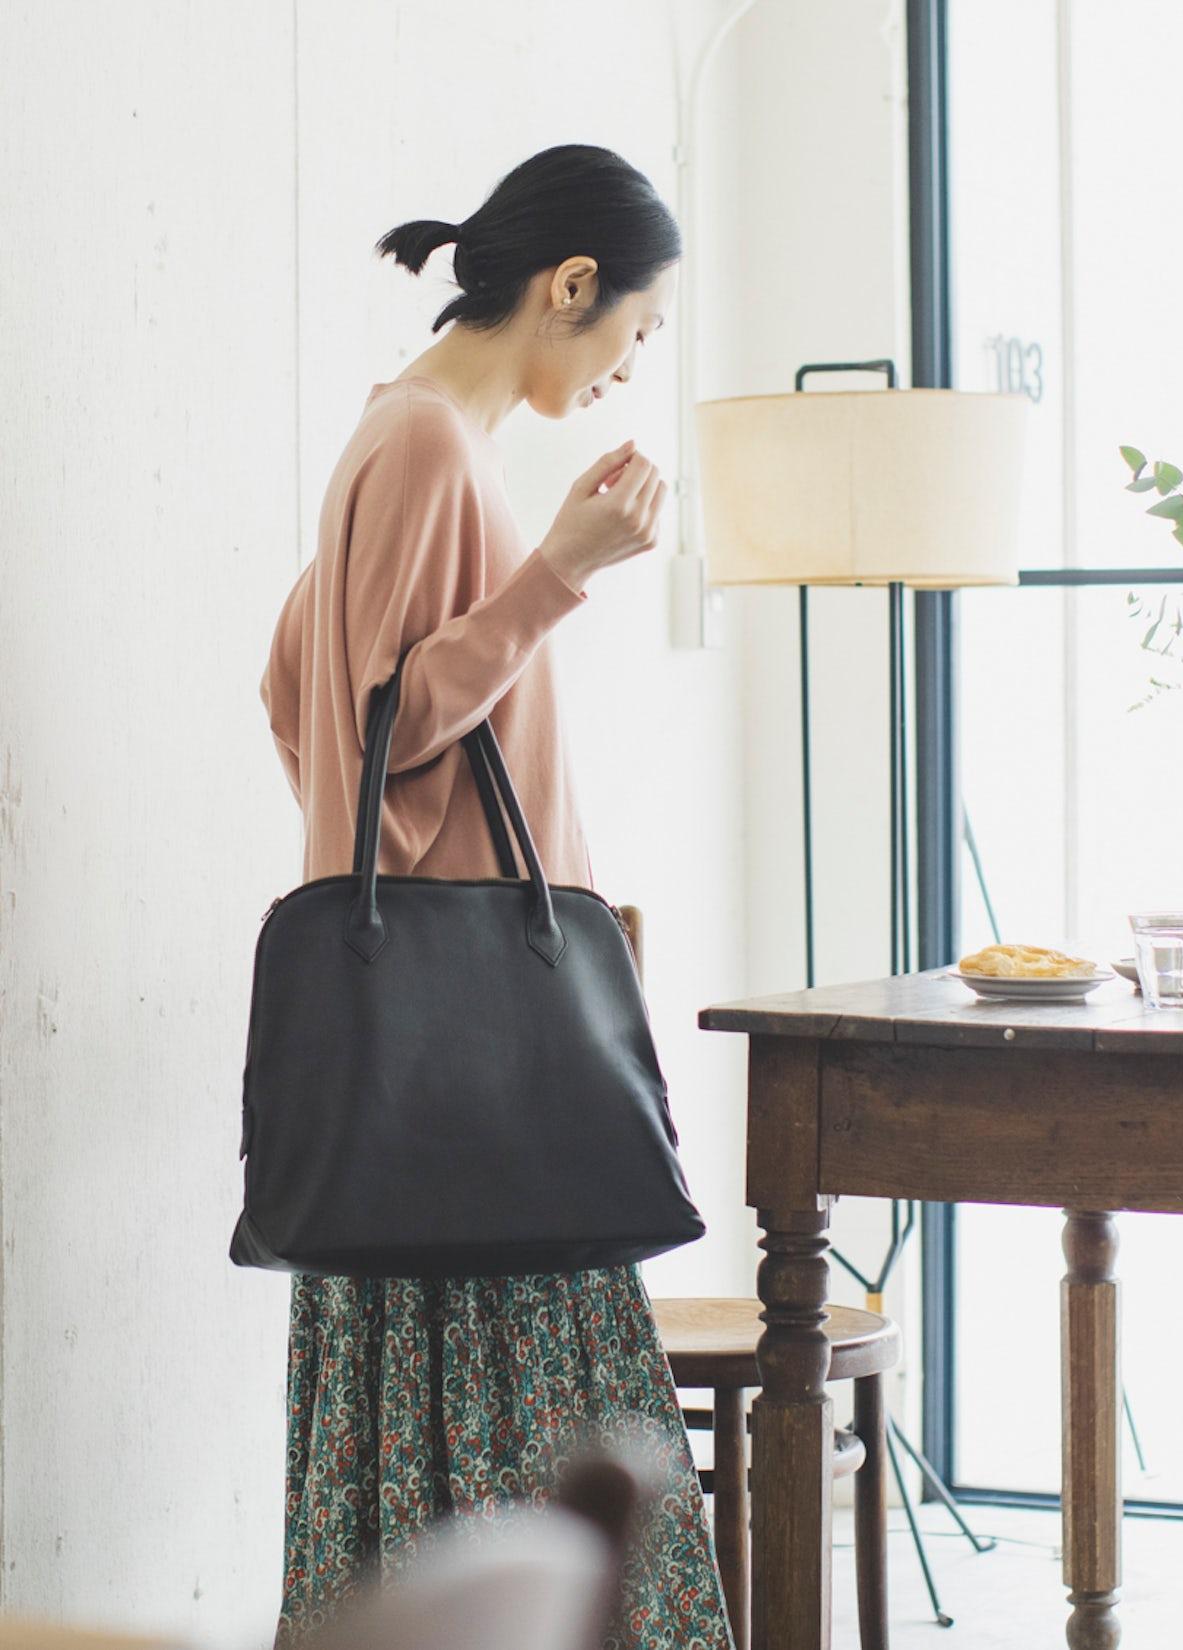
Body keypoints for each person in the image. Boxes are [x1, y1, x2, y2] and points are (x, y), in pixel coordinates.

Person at [258, 142, 732, 1650]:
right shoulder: (424, 449)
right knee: (565, 1455)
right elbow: (371, 719)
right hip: (477, 1067)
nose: (624, 370)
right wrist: (560, 570)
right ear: (569, 285)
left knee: (446, 1450)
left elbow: (292, 693)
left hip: (431, 1056)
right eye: (634, 331)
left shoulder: (394, 437)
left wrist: (373, 843)